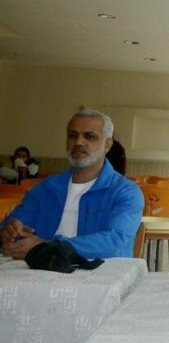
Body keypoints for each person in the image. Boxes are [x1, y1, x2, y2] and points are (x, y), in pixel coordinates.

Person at [0, 110, 143, 259]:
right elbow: (14, 226)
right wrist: (9, 232)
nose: (78, 142)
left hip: (103, 271)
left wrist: (47, 247)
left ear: (107, 145)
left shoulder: (125, 192)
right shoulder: (45, 188)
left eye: (89, 136)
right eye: (73, 135)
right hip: (41, 269)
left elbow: (114, 242)